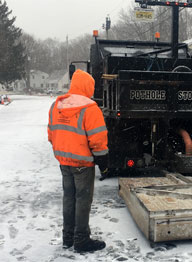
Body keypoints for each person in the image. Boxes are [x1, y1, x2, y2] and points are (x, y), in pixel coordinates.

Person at [48, 69, 109, 252]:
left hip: (64, 162)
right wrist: (103, 163)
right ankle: (81, 240)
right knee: (82, 200)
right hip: (83, 164)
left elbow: (51, 134)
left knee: (69, 198)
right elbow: (97, 140)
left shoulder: (56, 105)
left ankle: (68, 238)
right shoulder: (90, 108)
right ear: (88, 87)